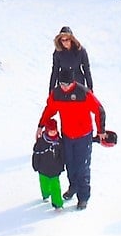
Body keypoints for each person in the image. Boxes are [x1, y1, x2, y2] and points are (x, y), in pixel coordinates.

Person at [39, 80, 106, 211]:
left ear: (73, 83)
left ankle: (83, 197)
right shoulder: (57, 94)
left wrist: (101, 130)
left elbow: (99, 110)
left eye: (67, 85)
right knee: (69, 164)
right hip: (67, 136)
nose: (65, 88)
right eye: (62, 85)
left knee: (82, 167)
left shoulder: (83, 93)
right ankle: (73, 187)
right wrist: (40, 125)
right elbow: (50, 109)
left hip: (83, 136)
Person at [32, 116, 67, 211]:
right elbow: (36, 154)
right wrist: (35, 165)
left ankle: (58, 204)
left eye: (54, 130)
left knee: (55, 187)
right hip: (43, 169)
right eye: (51, 130)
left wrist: (63, 164)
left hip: (55, 170)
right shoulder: (41, 142)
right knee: (44, 183)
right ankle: (46, 194)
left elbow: (62, 154)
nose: (53, 132)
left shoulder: (59, 142)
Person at [49, 27, 94, 93]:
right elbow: (55, 71)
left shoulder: (81, 51)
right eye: (63, 40)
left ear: (71, 39)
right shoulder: (58, 52)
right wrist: (51, 89)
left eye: (67, 39)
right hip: (63, 85)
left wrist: (90, 88)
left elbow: (86, 70)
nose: (65, 42)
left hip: (78, 83)